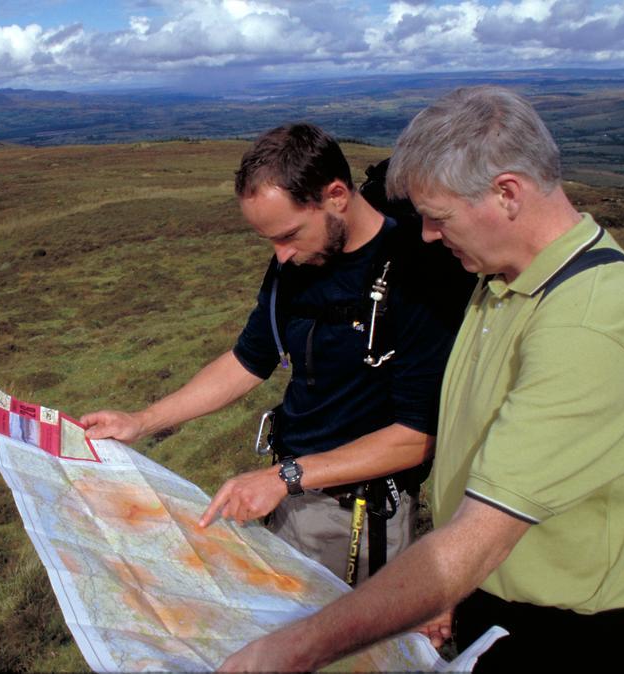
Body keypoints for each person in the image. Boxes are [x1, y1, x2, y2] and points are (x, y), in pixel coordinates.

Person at [218, 85, 624, 673]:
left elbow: (483, 532)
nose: (428, 237)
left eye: (438, 218)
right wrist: (455, 593)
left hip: (576, 628)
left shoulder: (592, 321)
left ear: (507, 193)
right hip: (498, 595)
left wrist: (294, 648)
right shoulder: (502, 285)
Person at [81, 123, 473, 583]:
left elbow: (415, 437)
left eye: (288, 234)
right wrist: (141, 421)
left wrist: (285, 477)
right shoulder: (300, 261)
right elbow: (247, 361)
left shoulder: (420, 274)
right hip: (289, 494)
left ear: (336, 195)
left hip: (362, 518)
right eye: (270, 241)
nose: (281, 256)